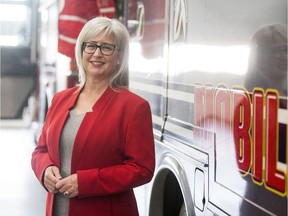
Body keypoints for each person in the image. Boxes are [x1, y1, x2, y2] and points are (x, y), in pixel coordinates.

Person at [31, 16, 155, 216]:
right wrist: (45, 169)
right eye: (91, 46)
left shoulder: (134, 107)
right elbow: (41, 150)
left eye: (107, 47)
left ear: (119, 57)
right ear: (82, 50)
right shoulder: (60, 100)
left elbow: (142, 168)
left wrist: (85, 182)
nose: (97, 53)